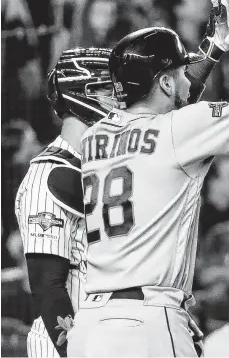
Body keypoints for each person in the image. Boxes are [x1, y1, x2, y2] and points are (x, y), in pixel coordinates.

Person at [67, 0, 229, 357]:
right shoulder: (178, 129)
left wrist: (212, 50)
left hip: (91, 324)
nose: (183, 75)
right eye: (177, 70)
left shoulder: (96, 134)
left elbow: (172, 99)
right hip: (148, 320)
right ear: (162, 82)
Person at [14, 48, 118, 357]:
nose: (118, 98)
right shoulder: (48, 173)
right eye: (106, 89)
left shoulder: (105, 161)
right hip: (67, 349)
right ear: (80, 93)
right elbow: (48, 286)